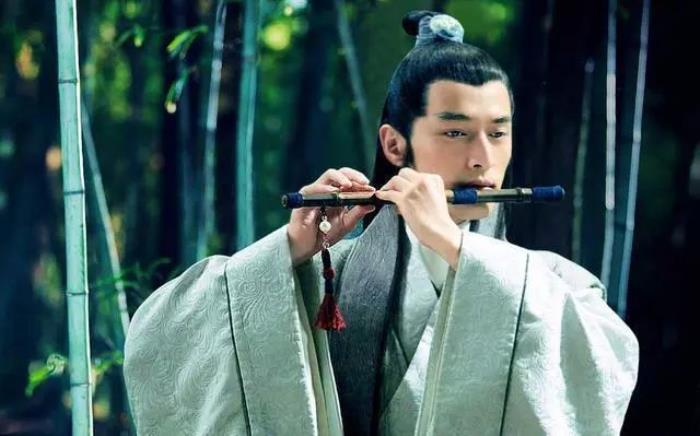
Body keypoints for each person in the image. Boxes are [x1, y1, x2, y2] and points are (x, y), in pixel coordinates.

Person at [123, 10, 639, 436]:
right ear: (394, 145)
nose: (483, 158)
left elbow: (605, 371)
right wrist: (289, 250)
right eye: (456, 133)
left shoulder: (554, 286)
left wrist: (457, 250)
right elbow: (161, 342)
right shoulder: (323, 276)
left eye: (498, 134)